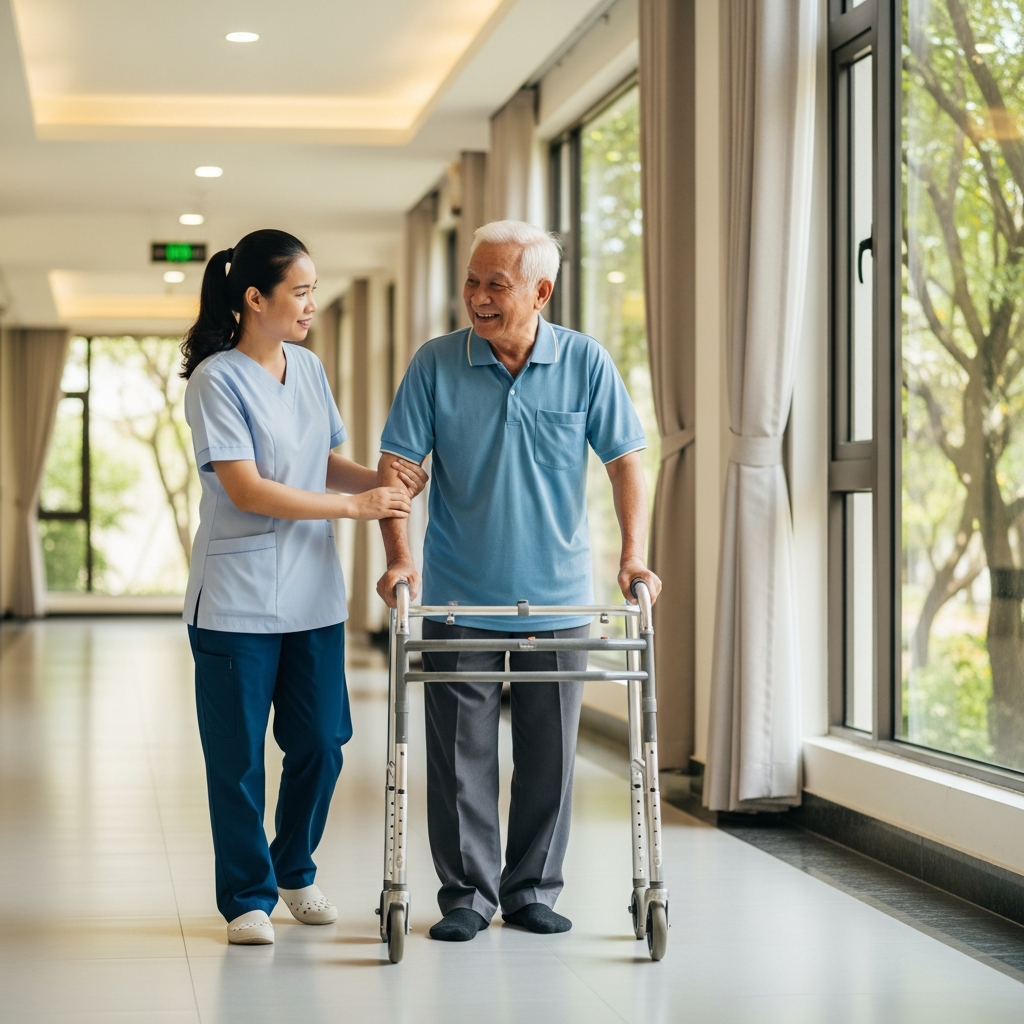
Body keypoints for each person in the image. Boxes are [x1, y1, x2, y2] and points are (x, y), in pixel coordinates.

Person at [375, 219, 662, 942]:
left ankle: (531, 887)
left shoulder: (585, 363)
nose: (476, 297)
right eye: (471, 281)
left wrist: (632, 554)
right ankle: (468, 896)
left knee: (549, 756)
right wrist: (400, 555)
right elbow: (399, 468)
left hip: (559, 595)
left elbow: (626, 458)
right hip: (458, 595)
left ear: (541, 291)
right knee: (458, 757)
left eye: (494, 285)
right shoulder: (436, 364)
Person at [180, 229, 427, 945]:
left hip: (312, 596)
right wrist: (356, 508)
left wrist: (385, 482)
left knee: (322, 740)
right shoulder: (216, 380)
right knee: (238, 759)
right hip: (236, 599)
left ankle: (294, 867)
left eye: (315, 290)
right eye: (302, 291)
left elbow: (324, 461)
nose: (313, 304)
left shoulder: (309, 368)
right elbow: (248, 488)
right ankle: (247, 898)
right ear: (255, 298)